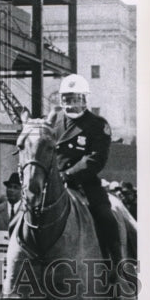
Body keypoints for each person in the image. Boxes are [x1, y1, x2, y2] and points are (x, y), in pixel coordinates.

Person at [47, 73, 122, 270]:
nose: (71, 104)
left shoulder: (97, 124)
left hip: (83, 183)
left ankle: (116, 269)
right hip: (52, 183)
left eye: (76, 100)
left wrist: (69, 174)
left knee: (107, 218)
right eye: (67, 100)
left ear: (84, 100)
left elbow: (96, 158)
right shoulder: (53, 120)